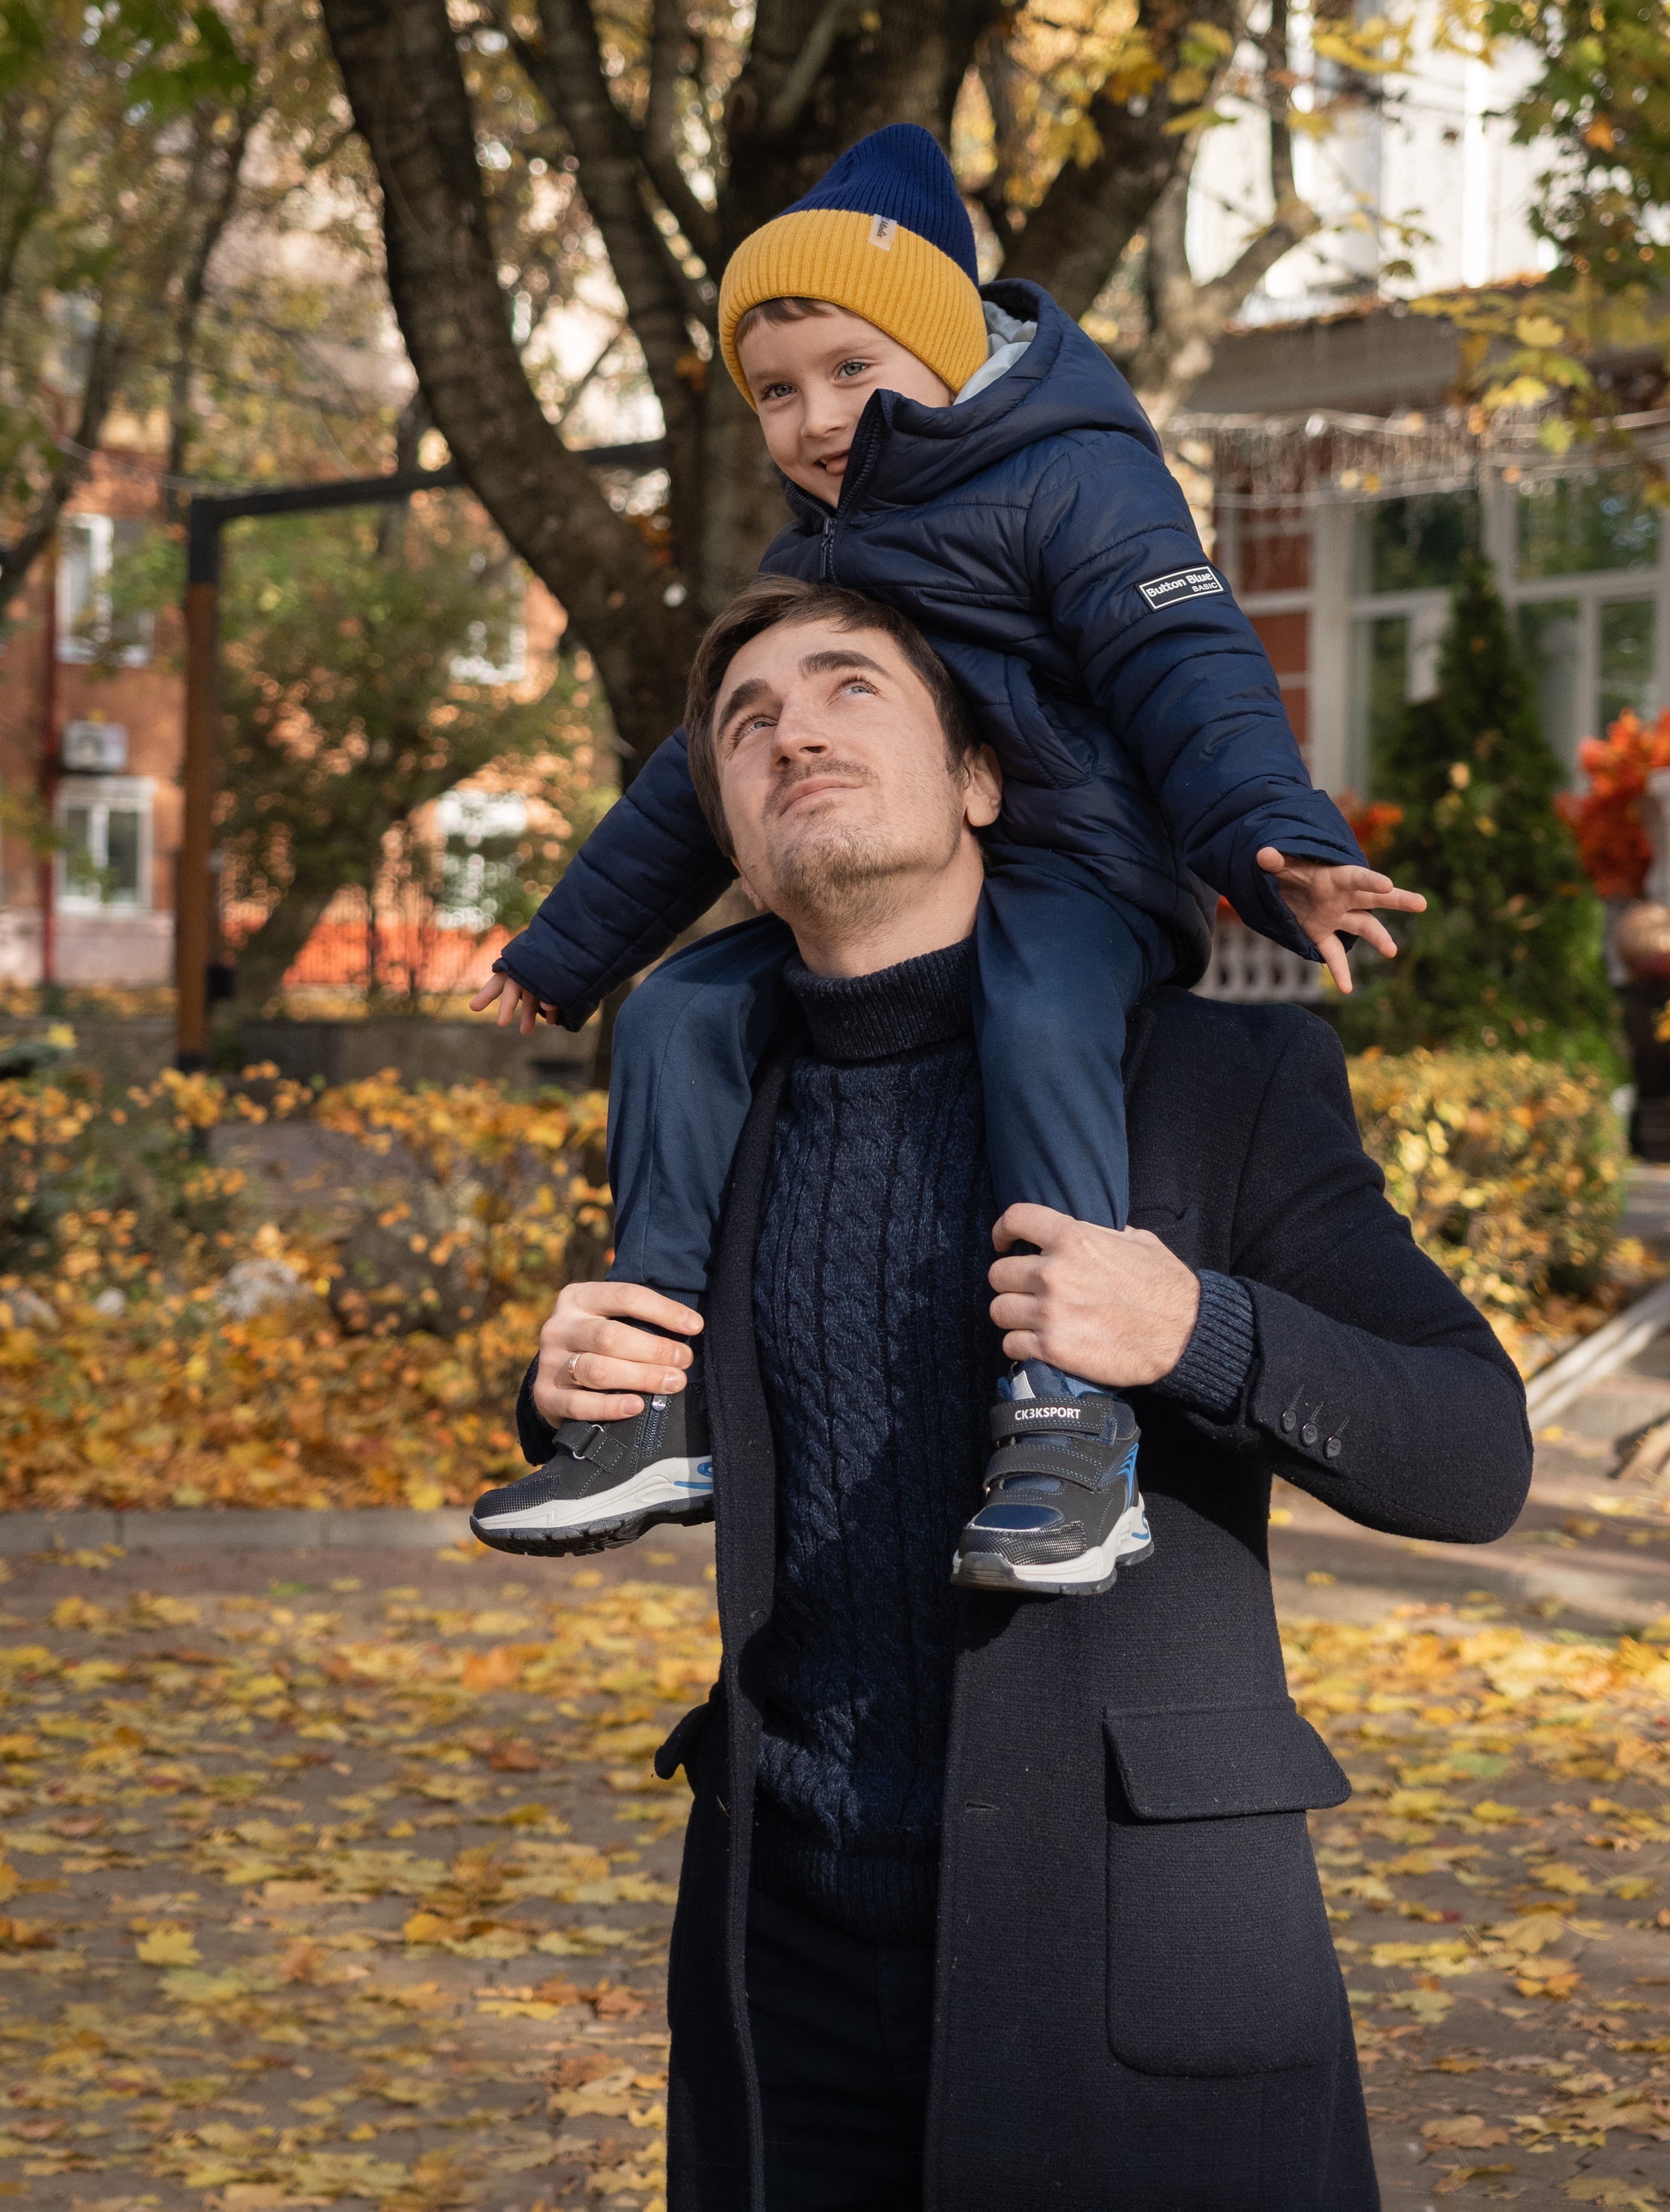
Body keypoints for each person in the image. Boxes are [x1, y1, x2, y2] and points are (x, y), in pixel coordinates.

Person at [511, 582, 1532, 2212]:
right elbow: (709, 1402)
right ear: (721, 820)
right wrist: (568, 1382)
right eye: (746, 718)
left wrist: (1194, 1324)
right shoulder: (711, 1085)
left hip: (1131, 1948)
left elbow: (1473, 1453)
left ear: (981, 775)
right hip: (784, 1964)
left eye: (849, 687)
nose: (794, 731)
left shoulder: (1208, 1082)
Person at [469, 122, 1422, 1591]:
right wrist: (568, 950)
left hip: (1079, 872)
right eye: (774, 392)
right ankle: (648, 1399)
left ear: (949, 347)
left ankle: (1065, 1420)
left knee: (1036, 1010)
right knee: (678, 1010)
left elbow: (1184, 660)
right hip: (901, 907)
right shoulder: (816, 559)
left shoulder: (1074, 478)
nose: (811, 418)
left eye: (851, 372)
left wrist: (1270, 844)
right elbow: (689, 779)